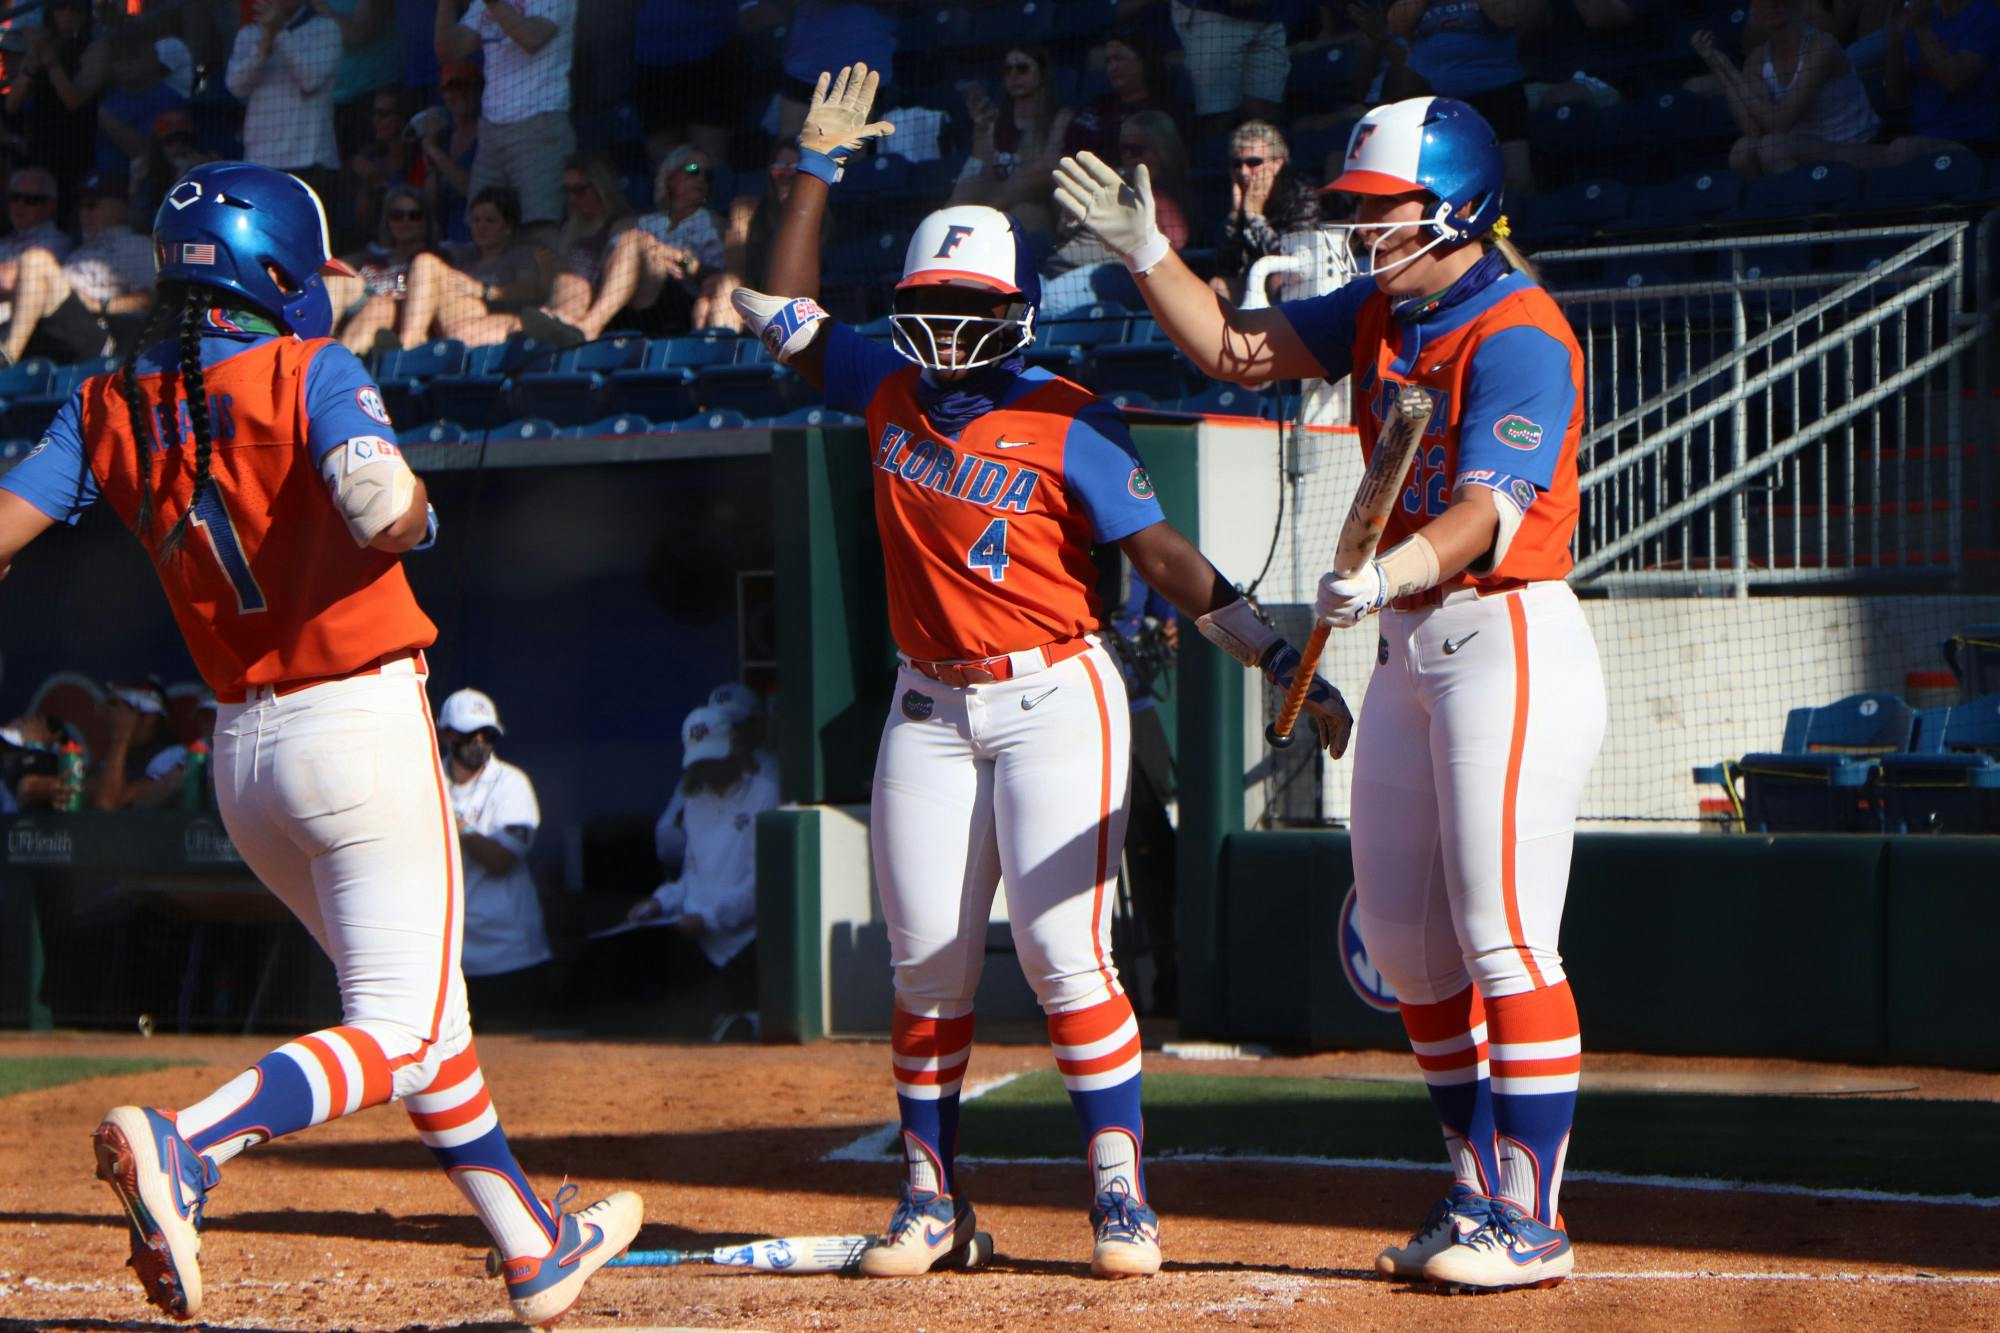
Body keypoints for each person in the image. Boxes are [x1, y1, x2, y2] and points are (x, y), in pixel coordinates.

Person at [730, 64, 1350, 1281]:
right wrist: (812, 167)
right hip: (927, 701)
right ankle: (927, 1199)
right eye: (929, 301)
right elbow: (773, 305)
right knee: (927, 966)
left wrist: (1276, 653)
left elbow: (1167, 562)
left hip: (1054, 695)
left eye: (969, 302)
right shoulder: (885, 382)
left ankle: (1118, 1197)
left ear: (1015, 306)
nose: (947, 324)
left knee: (1068, 954)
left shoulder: (1071, 413)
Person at [0, 160, 639, 1326]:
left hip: (245, 762)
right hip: (356, 727)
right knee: (397, 1024)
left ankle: (531, 1241)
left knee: (422, 1021)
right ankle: (187, 1146)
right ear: (277, 274)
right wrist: (415, 504)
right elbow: (383, 511)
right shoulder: (310, 367)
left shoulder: (104, 404)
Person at [1054, 95, 1603, 1291]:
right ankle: (1470, 1189)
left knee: (1504, 939)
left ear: (1454, 204)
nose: (1361, 232)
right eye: (1353, 213)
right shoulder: (1382, 306)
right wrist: (1149, 251)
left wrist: (1392, 567)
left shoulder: (1517, 327)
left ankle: (1532, 1214)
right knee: (1408, 951)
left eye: (1379, 211)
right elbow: (1232, 349)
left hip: (1502, 629)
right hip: (1410, 644)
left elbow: (1489, 508)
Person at [624, 705, 777, 1040]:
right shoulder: (693, 804)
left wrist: (708, 918)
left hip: (744, 943)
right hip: (697, 943)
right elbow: (691, 878)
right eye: (701, 762)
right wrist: (658, 902)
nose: (708, 770)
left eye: (714, 759)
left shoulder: (764, 793)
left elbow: (761, 883)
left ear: (734, 746)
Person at [438, 688, 555, 1032]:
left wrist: (457, 822)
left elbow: (500, 859)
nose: (479, 741)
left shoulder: (512, 783)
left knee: (519, 1067)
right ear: (447, 734)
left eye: (487, 734)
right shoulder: (428, 782)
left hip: (510, 953)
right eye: (469, 733)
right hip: (451, 957)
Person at [516, 148, 712, 345]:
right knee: (570, 282)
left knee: (630, 241)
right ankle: (559, 331)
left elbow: (714, 276)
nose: (573, 198)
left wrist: (678, 258)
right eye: (568, 191)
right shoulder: (573, 231)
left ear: (600, 186)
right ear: (670, 177)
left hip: (655, 301)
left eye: (580, 190)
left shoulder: (713, 224)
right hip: (592, 297)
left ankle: (586, 328)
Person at [434, 0, 578, 234]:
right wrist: (445, 6)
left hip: (539, 123)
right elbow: (451, 51)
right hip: (492, 129)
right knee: (481, 228)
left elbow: (532, 38)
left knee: (540, 230)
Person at [1693, 0, 1882, 176]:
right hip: (1796, 145)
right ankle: (1779, 205)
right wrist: (1720, 68)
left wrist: (1730, 70)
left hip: (1850, 144)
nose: (1772, 4)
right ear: (1754, 11)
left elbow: (1779, 124)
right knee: (1742, 152)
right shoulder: (1757, 60)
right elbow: (1753, 130)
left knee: (1772, 148)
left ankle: (1806, 205)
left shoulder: (1823, 46)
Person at [1040, 110, 1191, 316]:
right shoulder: (1115, 189)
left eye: (1136, 150)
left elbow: (1171, 250)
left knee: (1052, 298)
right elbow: (1062, 234)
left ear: (1161, 151)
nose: (1127, 157)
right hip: (1061, 270)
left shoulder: (1169, 197)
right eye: (1123, 149)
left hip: (1121, 277)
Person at [1386, 0, 1545, 194]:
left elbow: (1507, 17)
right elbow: (1398, 25)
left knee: (1515, 178)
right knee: (1428, 178)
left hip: (1496, 87)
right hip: (1431, 95)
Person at [3, 172, 155, 367]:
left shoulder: (137, 245)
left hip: (95, 334)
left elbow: (149, 301)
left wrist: (98, 305)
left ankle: (8, 356)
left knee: (36, 260)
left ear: (120, 207)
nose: (85, 213)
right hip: (50, 330)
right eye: (81, 206)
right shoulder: (78, 251)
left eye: (92, 205)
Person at [694, 142, 829, 336]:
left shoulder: (821, 213)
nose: (786, 176)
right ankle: (718, 354)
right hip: (756, 298)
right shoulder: (746, 210)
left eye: (795, 170)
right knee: (724, 287)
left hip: (804, 301)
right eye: (778, 170)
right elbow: (735, 271)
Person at [394, 184, 549, 349]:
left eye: (490, 221)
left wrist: (485, 291)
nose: (481, 227)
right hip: (457, 321)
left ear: (507, 228)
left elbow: (531, 289)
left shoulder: (520, 256)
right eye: (476, 220)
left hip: (500, 324)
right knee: (425, 261)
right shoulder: (462, 256)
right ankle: (409, 343)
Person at [224, 0, 344, 209]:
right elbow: (235, 86)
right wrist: (264, 47)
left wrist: (280, 34)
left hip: (310, 162)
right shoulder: (250, 33)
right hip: (259, 163)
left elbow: (310, 80)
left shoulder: (326, 29)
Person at [949, 45, 1076, 237]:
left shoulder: (1060, 116)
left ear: (1041, 73)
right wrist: (982, 132)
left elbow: (1047, 168)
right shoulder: (994, 119)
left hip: (1038, 205)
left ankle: (982, 221)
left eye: (1022, 68)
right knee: (965, 190)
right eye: (1008, 70)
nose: (1014, 75)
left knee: (1024, 212)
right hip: (993, 195)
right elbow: (980, 168)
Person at [4, 0, 106, 223]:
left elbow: (74, 100)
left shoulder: (96, 46)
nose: (68, 14)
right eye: (61, 6)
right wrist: (32, 62)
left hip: (78, 146)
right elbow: (12, 104)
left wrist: (51, 63)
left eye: (76, 8)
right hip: (40, 146)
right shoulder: (43, 45)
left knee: (68, 215)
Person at [1212, 120, 1322, 304]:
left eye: (1253, 162)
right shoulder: (1236, 191)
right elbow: (1225, 266)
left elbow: (1296, 258)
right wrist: (1234, 215)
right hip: (1253, 284)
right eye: (1237, 164)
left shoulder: (1302, 194)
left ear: (1277, 164)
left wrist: (1255, 217)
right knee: (1218, 286)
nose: (1244, 172)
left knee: (1277, 280)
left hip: (1299, 285)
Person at [1881, 0, 2000, 157]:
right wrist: (1895, 39)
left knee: (1903, 148)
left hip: (1969, 140)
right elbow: (1896, 99)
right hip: (1918, 135)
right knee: (1839, 153)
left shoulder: (1985, 15)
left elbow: (1954, 79)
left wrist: (1921, 28)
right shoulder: (1926, 17)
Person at [329, 182, 436, 354]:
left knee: (379, 304)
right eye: (397, 215)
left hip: (398, 315)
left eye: (414, 215)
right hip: (359, 306)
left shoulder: (438, 259)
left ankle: (336, 365)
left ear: (426, 220)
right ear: (387, 221)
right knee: (338, 270)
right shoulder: (371, 257)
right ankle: (314, 346)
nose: (405, 221)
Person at [1168, 0, 1292, 136]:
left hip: (1271, 16)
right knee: (1217, 115)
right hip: (1212, 16)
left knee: (1264, 109)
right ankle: (1212, 155)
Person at [1063, 29, 1189, 161]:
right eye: (1108, 61)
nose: (1112, 67)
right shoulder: (1099, 104)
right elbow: (1071, 141)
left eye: (1119, 59)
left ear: (1143, 61)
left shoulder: (1164, 109)